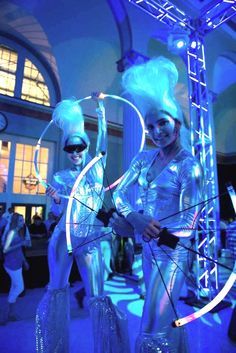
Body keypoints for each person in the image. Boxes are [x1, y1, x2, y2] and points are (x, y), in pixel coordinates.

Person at [112, 57, 203, 352]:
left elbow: (190, 222)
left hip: (172, 255)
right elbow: (119, 196)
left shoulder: (190, 166)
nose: (156, 131)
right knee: (166, 320)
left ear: (175, 121)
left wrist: (140, 229)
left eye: (162, 122)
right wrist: (136, 219)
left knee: (150, 328)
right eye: (150, 126)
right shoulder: (142, 159)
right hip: (148, 253)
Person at [36, 95, 129, 353]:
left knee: (98, 297)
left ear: (85, 147)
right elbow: (57, 212)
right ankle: (54, 348)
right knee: (56, 291)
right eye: (70, 149)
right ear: (66, 152)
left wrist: (100, 110)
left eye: (79, 147)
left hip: (89, 242)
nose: (75, 152)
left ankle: (108, 349)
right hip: (62, 238)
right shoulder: (60, 176)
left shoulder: (96, 171)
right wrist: (55, 201)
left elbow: (103, 144)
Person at [0, 213, 31, 325]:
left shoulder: (18, 232)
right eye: (20, 220)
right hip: (11, 264)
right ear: (14, 222)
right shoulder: (12, 232)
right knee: (19, 287)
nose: (23, 222)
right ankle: (7, 313)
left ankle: (10, 313)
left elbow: (19, 251)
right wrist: (21, 243)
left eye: (23, 220)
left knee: (15, 287)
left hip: (17, 263)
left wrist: (24, 261)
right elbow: (5, 250)